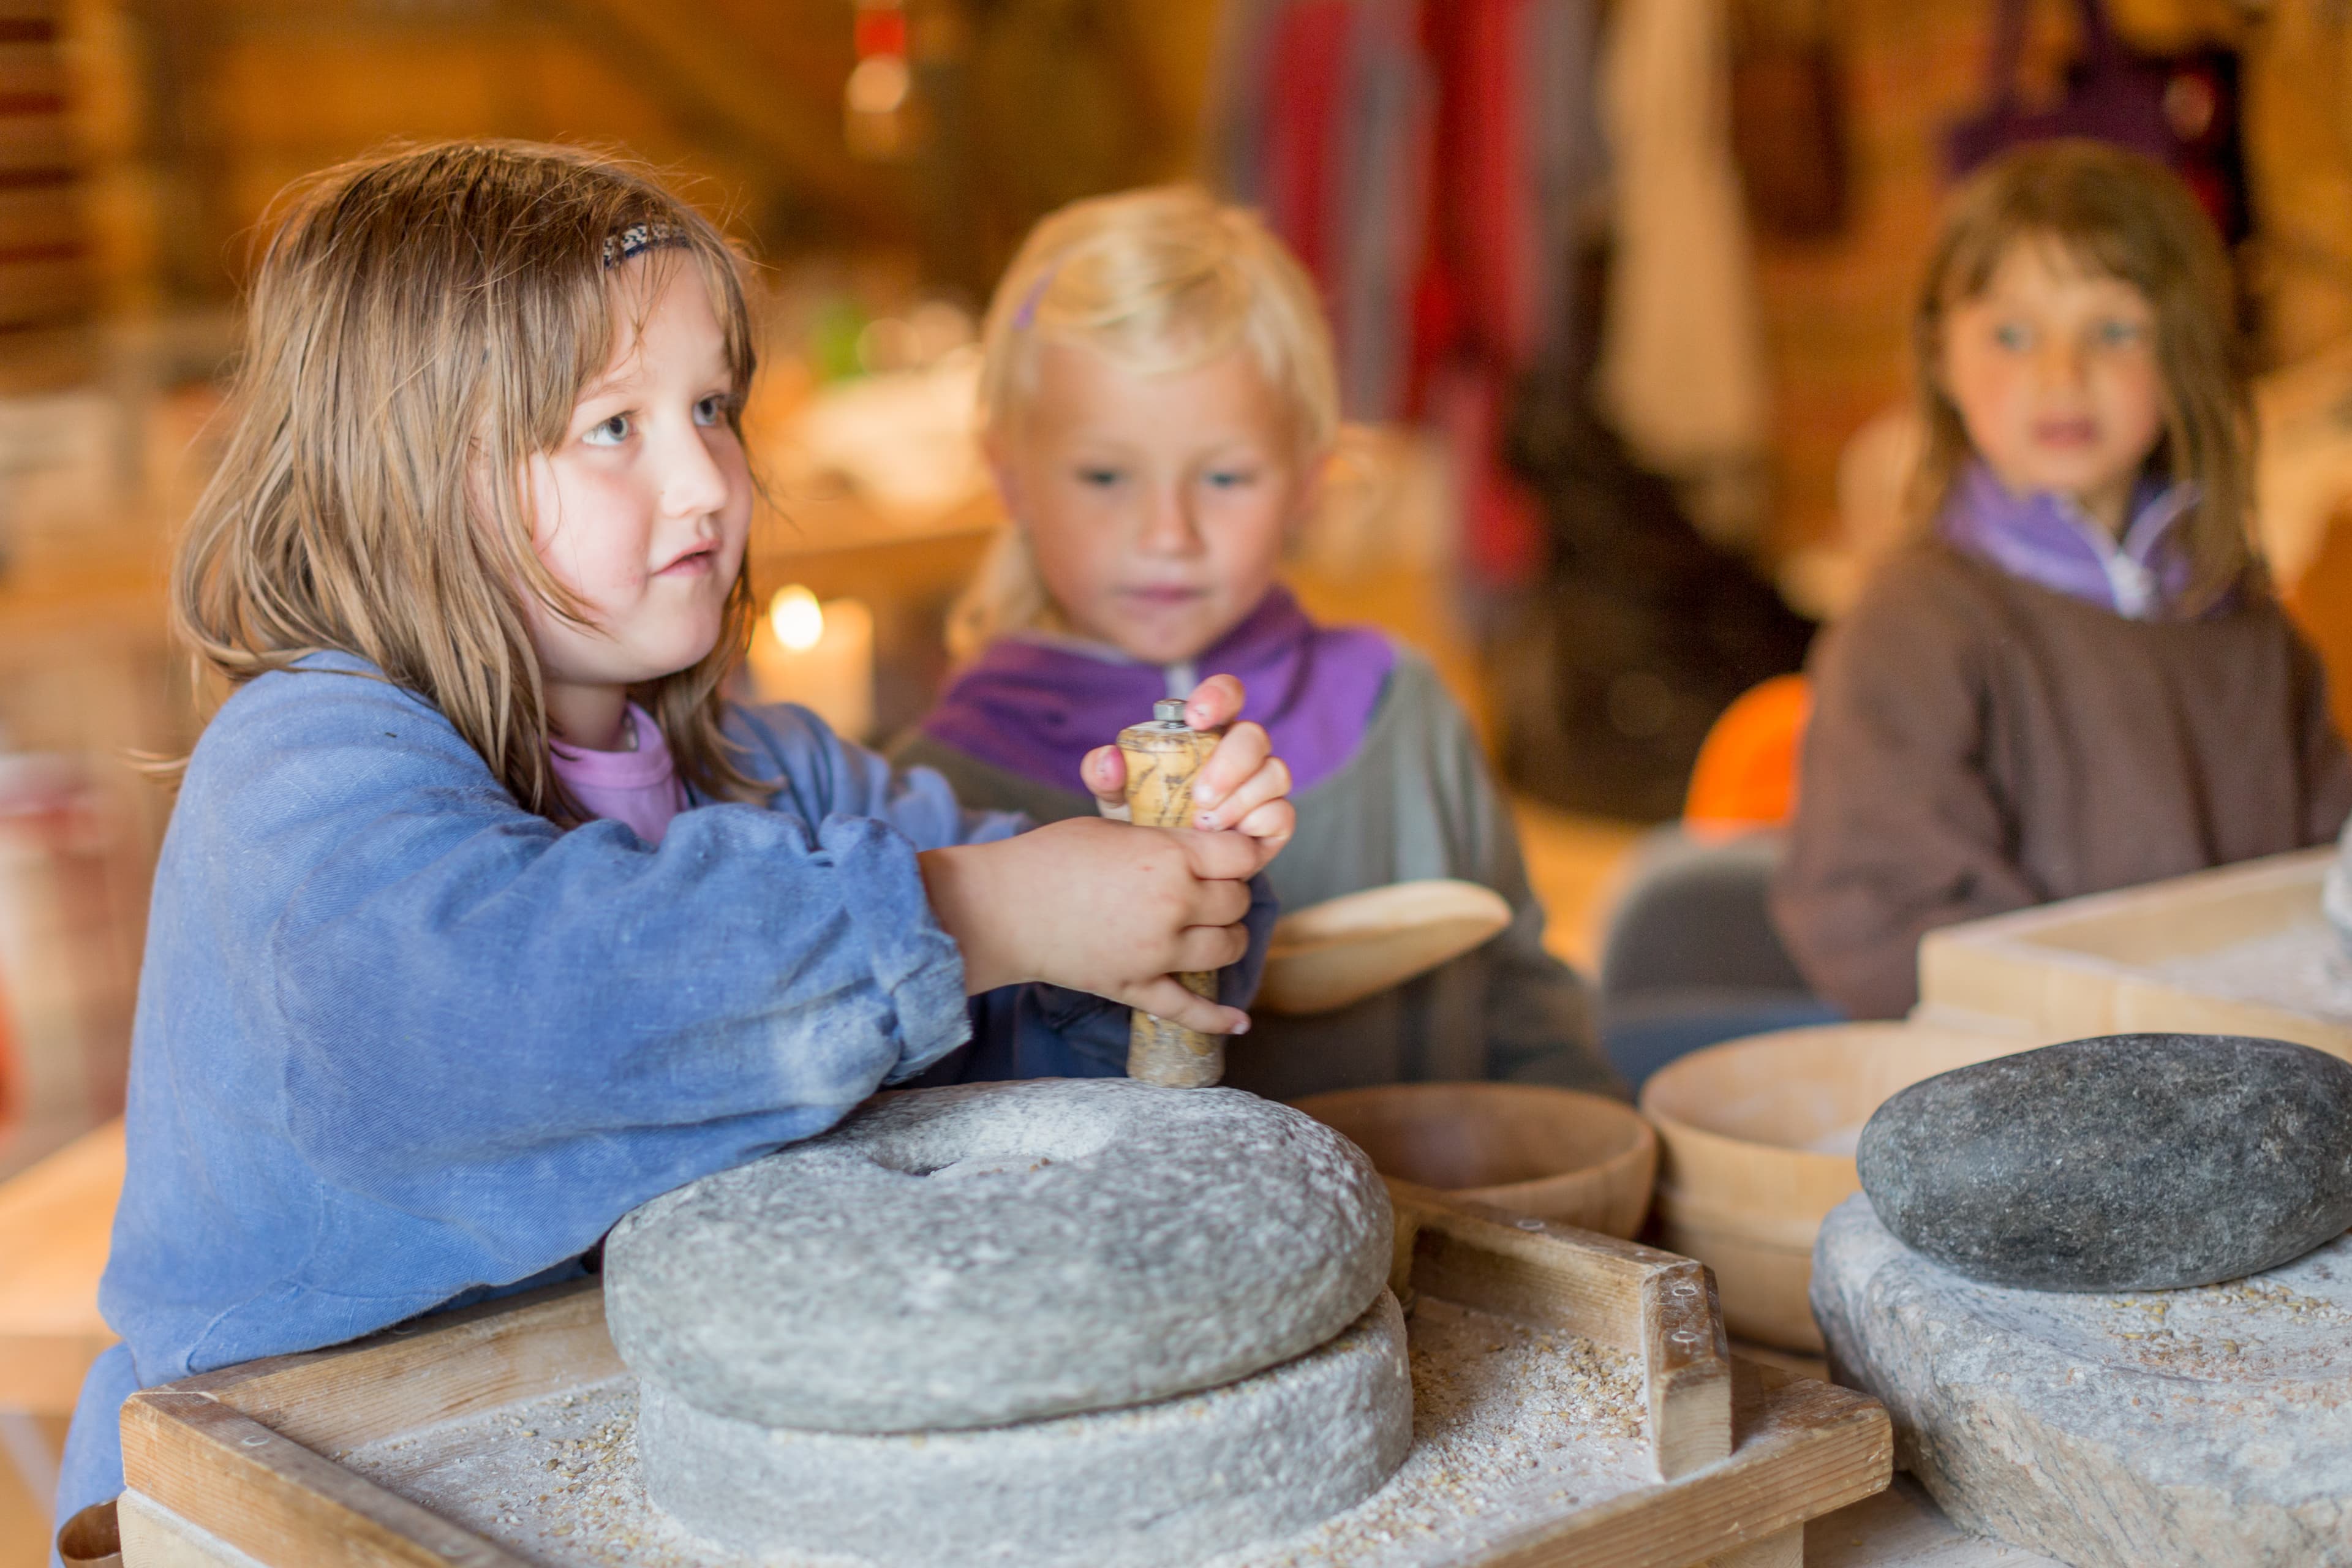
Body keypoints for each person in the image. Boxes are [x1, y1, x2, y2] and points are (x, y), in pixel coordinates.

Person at [52, 143, 1300, 1536]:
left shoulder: (772, 776)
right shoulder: (302, 770)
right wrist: (979, 914)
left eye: (712, 406)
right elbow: (498, 1015)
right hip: (284, 1498)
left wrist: (1156, 890)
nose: (707, 482)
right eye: (614, 427)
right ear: (405, 468)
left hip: (626, 1469)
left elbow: (1003, 1041)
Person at [892, 186, 1618, 1101]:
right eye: (1105, 475)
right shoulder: (941, 787)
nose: (1168, 532)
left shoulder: (1402, 706)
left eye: (1227, 475)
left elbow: (1520, 990)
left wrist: (1592, 1163)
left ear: (1310, 478)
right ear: (1011, 474)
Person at [1772, 141, 2352, 1019]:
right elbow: (1870, 920)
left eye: (2113, 329)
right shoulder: (1914, 626)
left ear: (2182, 351)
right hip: (2016, 1106)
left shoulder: (2254, 632)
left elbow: (2323, 886)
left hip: (2249, 1090)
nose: (2060, 375)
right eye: (2012, 333)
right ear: (1941, 355)